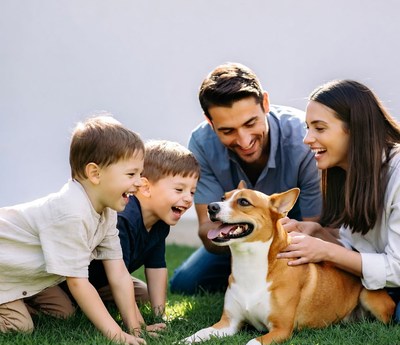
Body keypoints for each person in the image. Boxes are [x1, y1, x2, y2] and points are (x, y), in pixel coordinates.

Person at [0, 115, 165, 345]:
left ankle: (19, 300)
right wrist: (116, 335)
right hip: (4, 275)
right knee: (20, 326)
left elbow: (118, 273)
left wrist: (136, 328)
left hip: (26, 277)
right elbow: (77, 282)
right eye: (131, 174)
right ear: (95, 173)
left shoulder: (106, 211)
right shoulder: (71, 212)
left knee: (63, 313)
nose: (140, 182)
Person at [169, 62, 322, 294]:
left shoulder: (304, 139)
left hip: (292, 233)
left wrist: (273, 237)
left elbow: (317, 226)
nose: (244, 141)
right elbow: (206, 229)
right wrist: (239, 234)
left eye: (251, 123)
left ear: (266, 103)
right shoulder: (201, 142)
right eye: (227, 131)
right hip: (232, 232)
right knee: (185, 283)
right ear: (210, 122)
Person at [276, 79, 400, 321]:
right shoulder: (347, 171)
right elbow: (358, 244)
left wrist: (325, 251)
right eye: (307, 128)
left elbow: (397, 268)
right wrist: (317, 233)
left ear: (356, 128)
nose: (307, 139)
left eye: (319, 128)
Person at [85, 140, 200, 317]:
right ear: (145, 188)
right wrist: (138, 325)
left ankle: (96, 300)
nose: (188, 199)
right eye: (179, 190)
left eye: (192, 192)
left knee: (145, 295)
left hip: (103, 282)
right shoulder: (123, 220)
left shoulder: (160, 222)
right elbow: (118, 275)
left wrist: (159, 314)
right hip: (73, 280)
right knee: (64, 312)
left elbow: (157, 267)